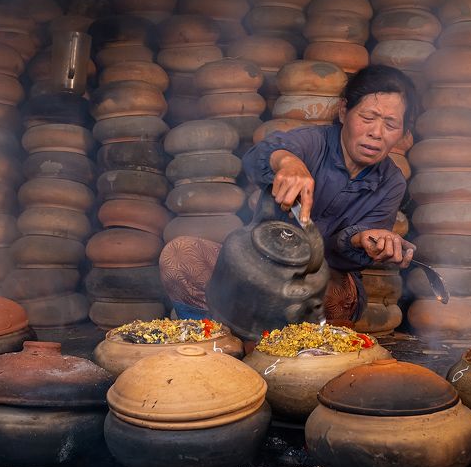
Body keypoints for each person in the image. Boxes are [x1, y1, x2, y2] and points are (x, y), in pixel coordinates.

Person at [159, 64, 418, 325]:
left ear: (403, 133)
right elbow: (260, 155)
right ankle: (213, 337)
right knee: (180, 255)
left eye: (391, 124)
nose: (376, 132)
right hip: (257, 268)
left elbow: (345, 257)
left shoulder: (392, 182)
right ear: (343, 111)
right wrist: (286, 161)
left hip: (323, 282)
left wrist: (363, 238)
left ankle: (287, 349)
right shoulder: (311, 142)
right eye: (367, 117)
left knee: (332, 297)